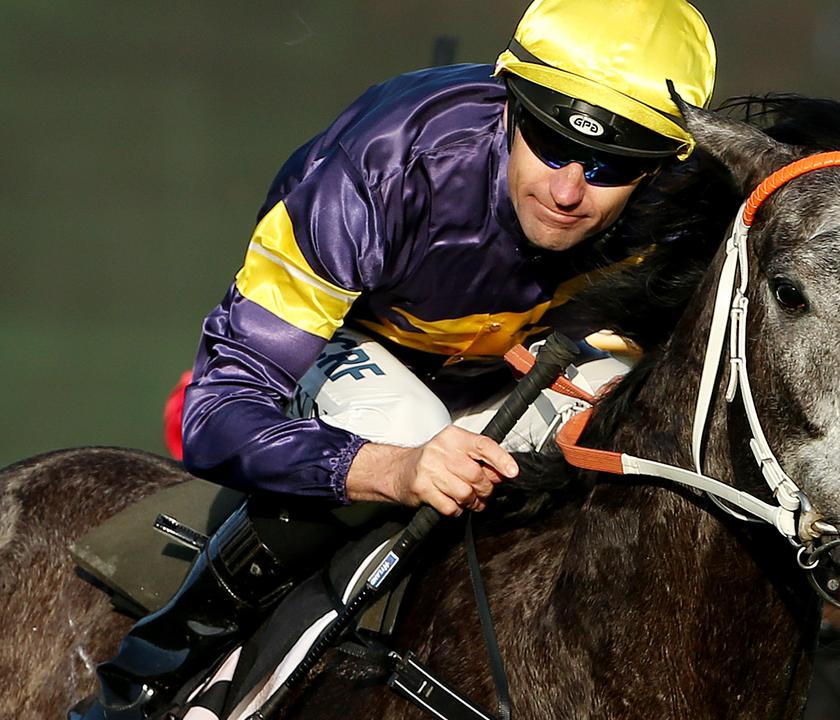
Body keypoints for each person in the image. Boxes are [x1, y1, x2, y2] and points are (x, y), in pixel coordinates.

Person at [74, 1, 716, 718]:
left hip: (518, 359)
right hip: (356, 344)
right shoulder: (377, 164)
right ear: (510, 105)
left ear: (665, 166)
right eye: (551, 143)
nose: (568, 190)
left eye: (611, 165)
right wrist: (395, 469)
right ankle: (145, 686)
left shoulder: (687, 202)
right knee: (412, 427)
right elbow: (215, 413)